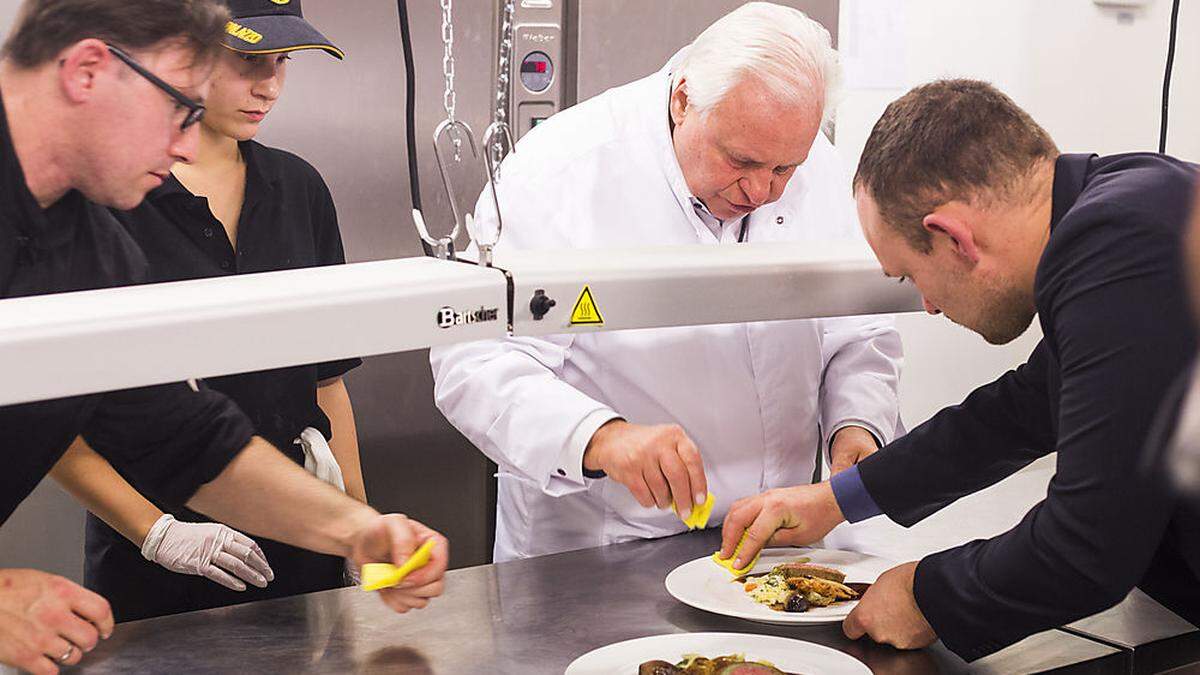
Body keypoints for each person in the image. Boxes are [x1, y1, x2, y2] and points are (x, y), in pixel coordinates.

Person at [0, 2, 446, 673]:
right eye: (179, 107)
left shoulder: (95, 255)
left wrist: (355, 527)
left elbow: (179, 438)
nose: (186, 146)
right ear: (89, 70)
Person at [719, 79, 1200, 661]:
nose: (927, 303)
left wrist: (927, 596)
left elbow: (1088, 546)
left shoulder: (1122, 245)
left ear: (952, 238)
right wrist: (838, 497)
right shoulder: (1135, 203)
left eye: (909, 276)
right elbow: (1023, 409)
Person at [431, 2, 902, 562]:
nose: (762, 191)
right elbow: (475, 361)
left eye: (783, 171)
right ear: (683, 100)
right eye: (741, 161)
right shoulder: (561, 171)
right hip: (600, 549)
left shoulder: (813, 164)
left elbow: (860, 330)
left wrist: (857, 427)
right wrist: (600, 437)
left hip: (777, 543)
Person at [47, 0, 369, 623]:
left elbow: (327, 378)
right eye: (248, 60)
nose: (269, 86)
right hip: (155, 556)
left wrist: (357, 522)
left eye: (281, 62)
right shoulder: (106, 197)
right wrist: (157, 533)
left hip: (301, 535)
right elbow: (52, 412)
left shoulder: (299, 188)